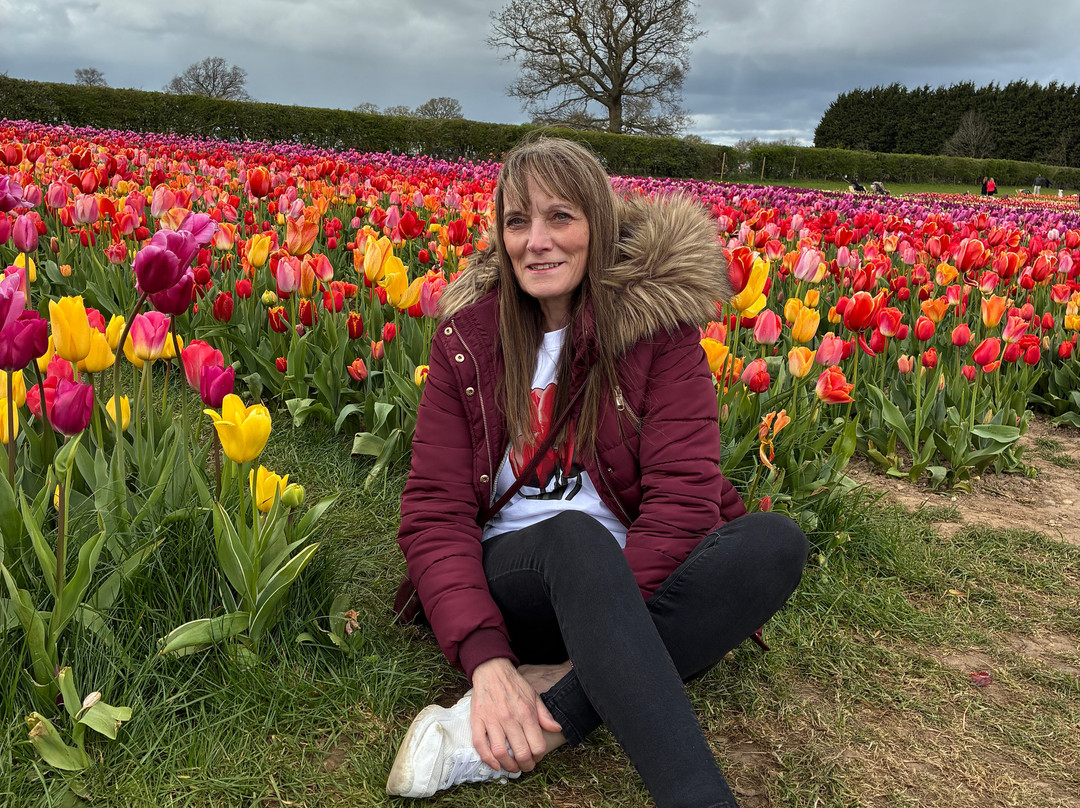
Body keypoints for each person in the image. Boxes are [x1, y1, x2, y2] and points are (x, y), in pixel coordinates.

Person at [387, 136, 808, 807]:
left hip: (636, 579)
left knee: (774, 544)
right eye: (517, 221)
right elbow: (434, 513)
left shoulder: (659, 336)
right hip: (518, 582)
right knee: (572, 536)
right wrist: (490, 664)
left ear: (599, 226)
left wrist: (611, 639)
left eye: (561, 217)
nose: (537, 241)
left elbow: (682, 504)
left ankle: (560, 700)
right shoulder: (468, 343)